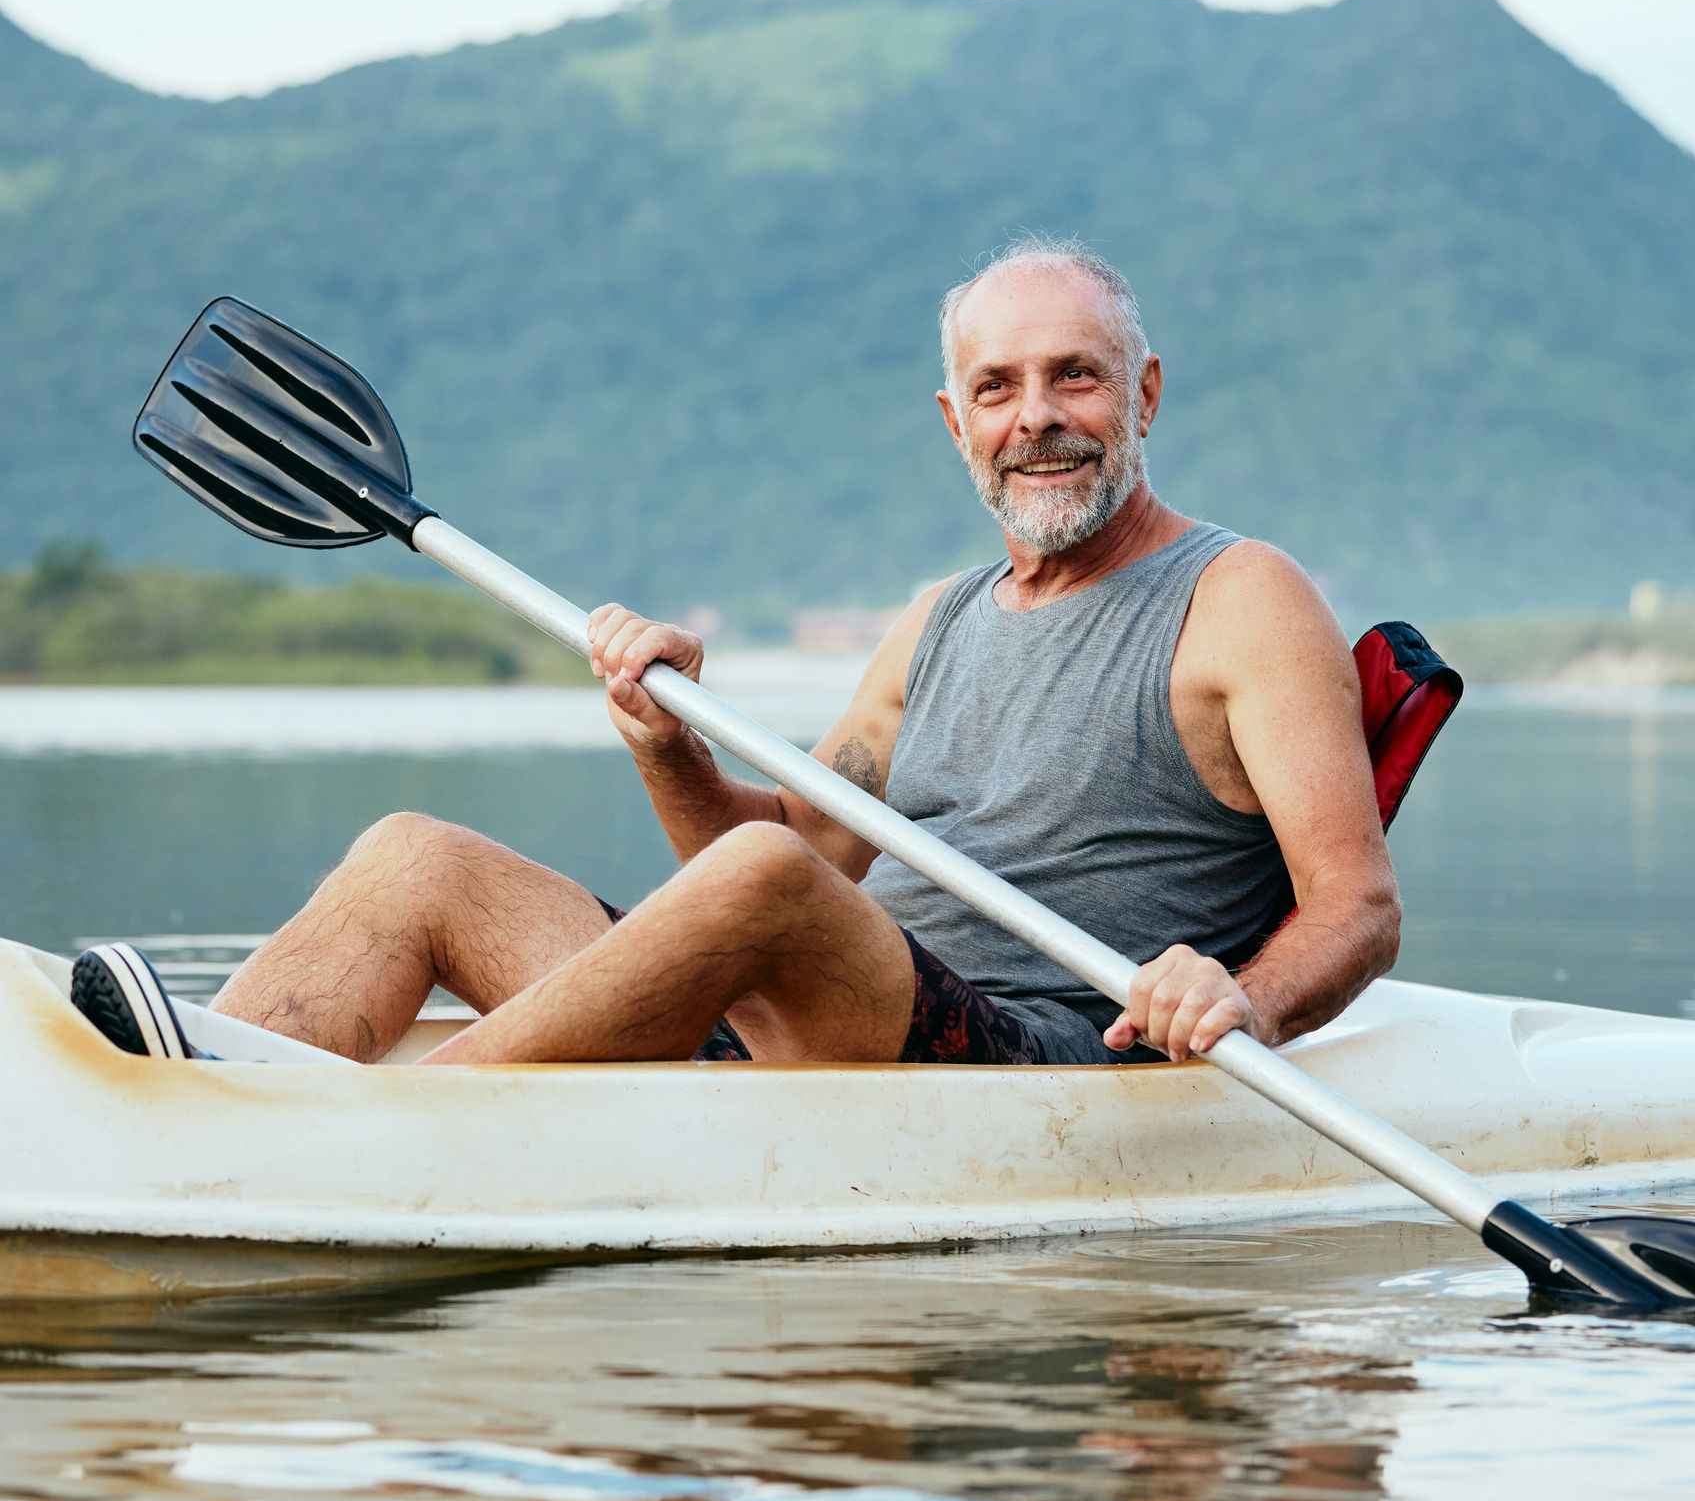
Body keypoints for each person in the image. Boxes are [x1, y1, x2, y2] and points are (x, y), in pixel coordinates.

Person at [76, 241, 1399, 1071]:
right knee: (412, 856)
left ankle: (385, 1129)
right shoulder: (936, 621)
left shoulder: (1238, 598)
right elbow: (773, 872)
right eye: (999, 388)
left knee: (771, 875)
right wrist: (670, 741)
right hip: (815, 1014)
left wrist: (1239, 996)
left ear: (1147, 394)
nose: (1036, 419)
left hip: (1027, 1050)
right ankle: (210, 1097)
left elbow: (1357, 910)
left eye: (1077, 379)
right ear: (955, 422)